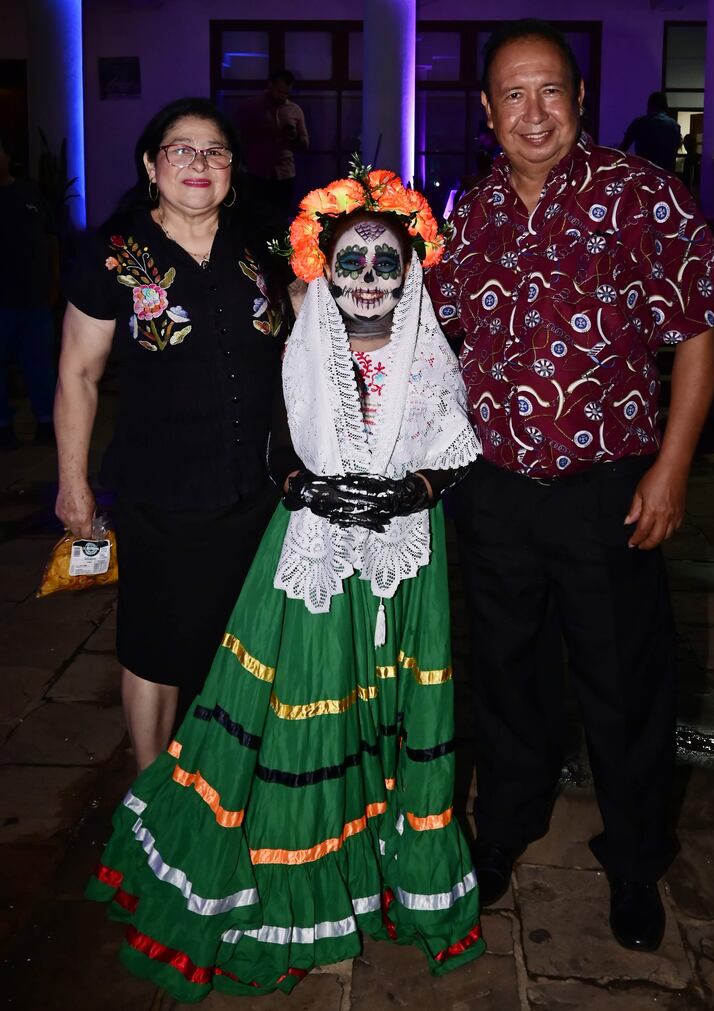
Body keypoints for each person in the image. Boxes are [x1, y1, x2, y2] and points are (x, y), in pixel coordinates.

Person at [86, 165, 484, 1000]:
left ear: (411, 269)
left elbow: (454, 443)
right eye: (353, 263)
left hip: (406, 560)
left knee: (394, 710)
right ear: (323, 267)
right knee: (312, 703)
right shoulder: (297, 340)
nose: (370, 280)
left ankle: (383, 865)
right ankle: (299, 882)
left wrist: (414, 489)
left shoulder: (429, 345)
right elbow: (268, 445)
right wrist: (308, 487)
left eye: (387, 264)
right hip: (313, 556)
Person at [425, 19, 714, 953]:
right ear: (487, 111)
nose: (534, 113)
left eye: (550, 91)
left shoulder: (639, 196)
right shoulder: (470, 212)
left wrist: (673, 467)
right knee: (508, 675)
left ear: (579, 100)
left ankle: (637, 856)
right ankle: (508, 826)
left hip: (607, 488)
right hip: (494, 490)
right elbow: (435, 345)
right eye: (513, 95)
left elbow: (698, 329)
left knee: (623, 680)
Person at [55, 98, 286, 770]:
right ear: (151, 166)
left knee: (245, 648)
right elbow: (77, 374)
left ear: (232, 169)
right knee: (156, 651)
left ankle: (229, 786)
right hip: (162, 496)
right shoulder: (115, 256)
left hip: (257, 493)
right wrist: (74, 485)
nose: (199, 162)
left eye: (214, 150)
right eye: (181, 149)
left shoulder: (262, 246)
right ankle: (151, 793)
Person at [0, 132, 58, 449]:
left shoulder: (29, 194)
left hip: (35, 299)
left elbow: (50, 239)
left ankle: (46, 421)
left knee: (40, 364)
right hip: (3, 302)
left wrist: (55, 282)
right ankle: (3, 425)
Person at [237, 69, 310, 215]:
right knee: (256, 219)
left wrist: (293, 137)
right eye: (279, 91)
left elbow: (305, 144)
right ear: (270, 85)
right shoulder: (251, 107)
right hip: (256, 173)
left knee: (281, 218)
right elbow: (238, 136)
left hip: (285, 174)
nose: (282, 96)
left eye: (286, 93)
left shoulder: (294, 110)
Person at [619, 91, 681, 172]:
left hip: (645, 173)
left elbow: (622, 149)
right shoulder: (674, 125)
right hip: (666, 174)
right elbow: (675, 150)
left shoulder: (639, 122)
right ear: (666, 106)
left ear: (649, 106)